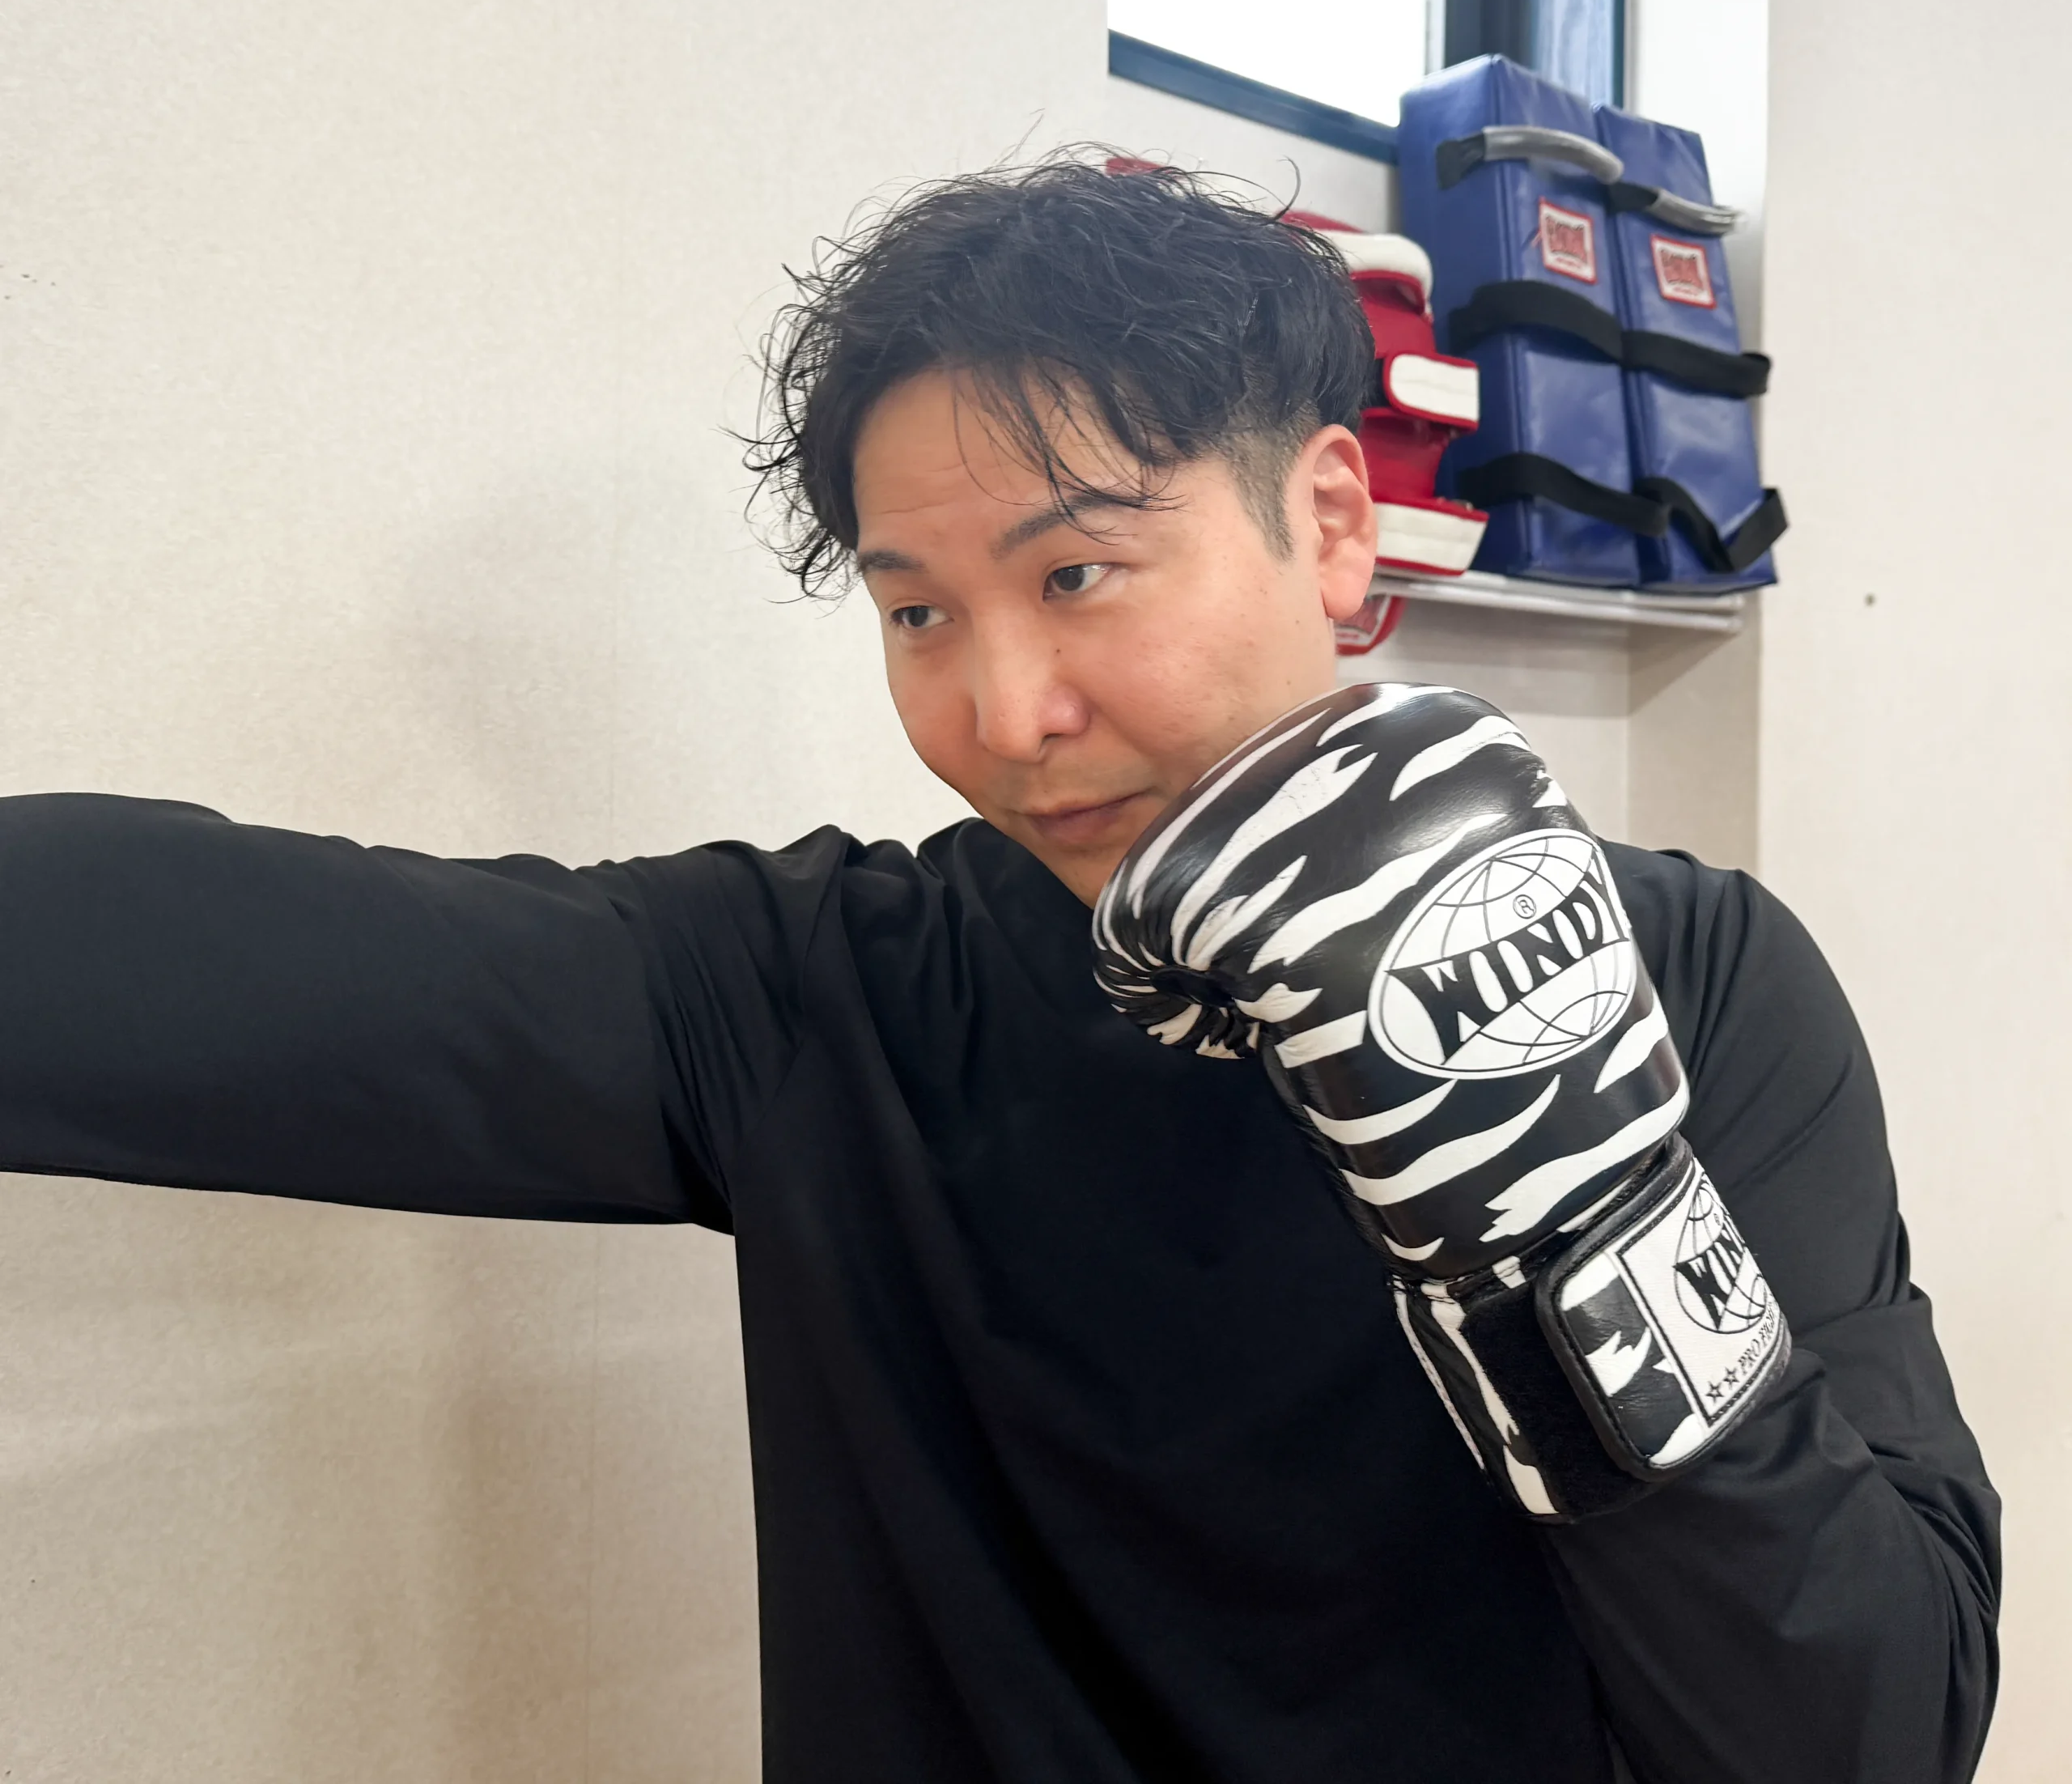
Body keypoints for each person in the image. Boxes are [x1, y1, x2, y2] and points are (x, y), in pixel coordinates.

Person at [0, 161, 1997, 1782]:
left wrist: (1579, 1233)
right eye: (917, 613)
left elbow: (1861, 1735)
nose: (1001, 708)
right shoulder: (821, 996)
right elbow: (256, 967)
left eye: (1074, 573)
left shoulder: (1692, 973)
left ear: (1324, 521)